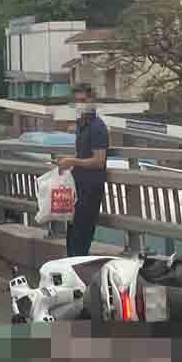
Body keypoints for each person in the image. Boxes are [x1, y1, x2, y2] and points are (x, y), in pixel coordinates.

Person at [57, 84, 109, 256]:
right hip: (78, 186)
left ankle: (78, 274)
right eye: (77, 101)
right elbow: (84, 154)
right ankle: (70, 270)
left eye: (84, 101)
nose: (80, 105)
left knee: (81, 237)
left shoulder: (97, 127)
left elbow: (99, 161)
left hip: (91, 187)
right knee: (72, 234)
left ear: (92, 101)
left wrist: (73, 161)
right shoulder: (82, 125)